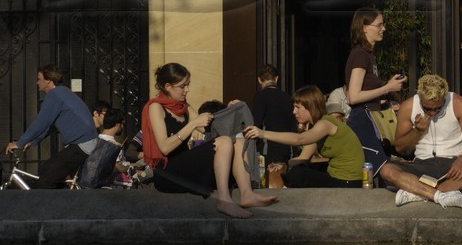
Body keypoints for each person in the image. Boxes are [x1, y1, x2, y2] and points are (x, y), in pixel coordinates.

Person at [141, 62, 276, 218]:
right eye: (182, 86)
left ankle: (247, 194)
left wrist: (230, 111)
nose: (187, 90)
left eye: (188, 85)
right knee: (224, 141)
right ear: (168, 87)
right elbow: (164, 147)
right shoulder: (156, 107)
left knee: (238, 141)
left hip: (185, 164)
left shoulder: (183, 106)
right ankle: (224, 201)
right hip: (167, 172)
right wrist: (192, 124)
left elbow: (209, 127)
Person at [377, 73, 462, 209]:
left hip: (452, 162)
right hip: (422, 163)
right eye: (427, 109)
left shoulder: (459, 104)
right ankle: (439, 196)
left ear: (444, 98)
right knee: (387, 170)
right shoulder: (408, 107)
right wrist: (417, 131)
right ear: (420, 97)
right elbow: (400, 148)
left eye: (438, 108)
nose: (432, 113)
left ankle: (419, 192)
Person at [245, 85, 363, 188]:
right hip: (336, 176)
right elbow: (303, 157)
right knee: (297, 171)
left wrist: (262, 133)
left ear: (310, 106)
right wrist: (283, 165)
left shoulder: (325, 123)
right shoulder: (315, 129)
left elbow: (299, 139)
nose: (294, 112)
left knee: (298, 175)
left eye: (297, 107)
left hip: (349, 181)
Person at [4, 66, 95, 189]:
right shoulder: (62, 92)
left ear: (48, 80)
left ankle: (53, 202)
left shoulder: (54, 94)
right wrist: (33, 140)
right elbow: (50, 125)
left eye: (39, 79)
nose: (37, 82)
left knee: (46, 180)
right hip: (84, 143)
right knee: (45, 169)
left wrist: (20, 143)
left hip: (82, 144)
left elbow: (41, 122)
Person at [342, 7, 407, 179]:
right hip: (363, 121)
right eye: (379, 25)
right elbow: (353, 96)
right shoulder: (360, 55)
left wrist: (385, 100)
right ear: (364, 28)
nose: (383, 28)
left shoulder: (368, 55)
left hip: (371, 119)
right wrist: (387, 88)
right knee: (382, 169)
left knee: (382, 169)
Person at [251, 64, 294, 188]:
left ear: (259, 80)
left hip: (267, 149)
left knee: (267, 183)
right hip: (286, 147)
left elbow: (256, 123)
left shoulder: (260, 96)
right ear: (276, 79)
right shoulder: (287, 97)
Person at [74, 108, 127, 189]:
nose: (123, 127)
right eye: (123, 124)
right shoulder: (112, 145)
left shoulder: (94, 141)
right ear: (117, 124)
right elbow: (115, 166)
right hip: (103, 187)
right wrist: (128, 167)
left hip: (84, 184)